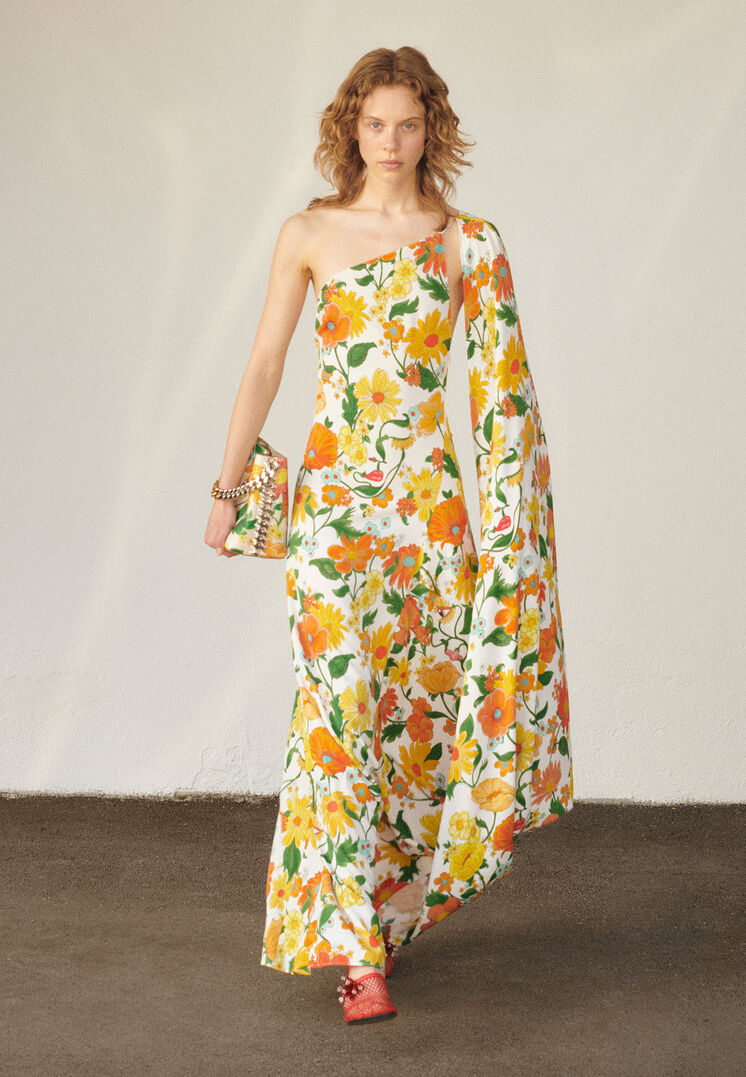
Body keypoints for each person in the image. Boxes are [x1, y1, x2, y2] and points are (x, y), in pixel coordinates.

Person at [204, 45, 574, 1024]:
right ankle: (356, 955)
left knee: (415, 717)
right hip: (333, 510)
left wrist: (510, 536)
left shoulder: (467, 243)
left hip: (428, 513)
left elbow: (504, 402)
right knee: (333, 712)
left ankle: (390, 916)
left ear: (431, 128)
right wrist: (229, 488)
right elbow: (265, 364)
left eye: (410, 124)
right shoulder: (310, 232)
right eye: (377, 124)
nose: (393, 141)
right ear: (352, 129)